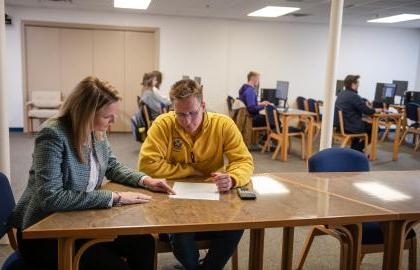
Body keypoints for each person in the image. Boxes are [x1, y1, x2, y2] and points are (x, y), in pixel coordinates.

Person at [9, 76, 175, 270]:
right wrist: (115, 197)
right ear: (86, 113)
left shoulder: (96, 130)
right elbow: (51, 198)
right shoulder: (53, 135)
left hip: (79, 221)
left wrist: (146, 180)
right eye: (107, 116)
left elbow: (112, 166)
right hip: (45, 231)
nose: (113, 120)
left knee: (144, 242)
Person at [138, 79, 253, 270]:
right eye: (180, 114)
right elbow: (147, 165)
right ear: (173, 108)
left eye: (193, 113)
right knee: (181, 234)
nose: (187, 121)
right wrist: (191, 170)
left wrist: (232, 178)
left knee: (236, 225)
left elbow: (243, 161)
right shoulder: (163, 124)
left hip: (213, 202)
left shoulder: (223, 125)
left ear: (204, 106)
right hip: (173, 203)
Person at [335, 75, 382, 152]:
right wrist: (378, 110)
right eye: (358, 83)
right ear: (353, 84)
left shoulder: (341, 94)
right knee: (376, 128)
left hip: (341, 125)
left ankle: (354, 149)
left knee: (363, 124)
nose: (358, 85)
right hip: (350, 126)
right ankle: (357, 149)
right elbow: (368, 111)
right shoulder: (354, 96)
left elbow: (357, 105)